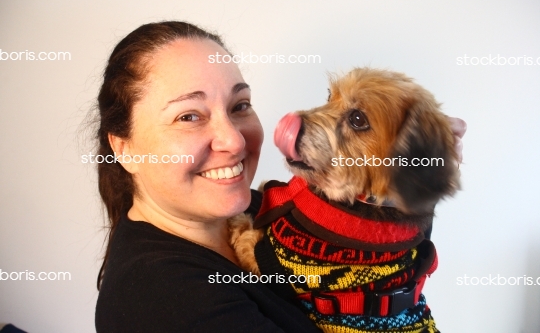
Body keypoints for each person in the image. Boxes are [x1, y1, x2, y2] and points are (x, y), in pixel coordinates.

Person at [94, 21, 466, 332]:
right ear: (124, 148)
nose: (233, 139)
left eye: (240, 106)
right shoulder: (166, 301)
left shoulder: (274, 210)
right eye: (189, 116)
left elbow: (378, 251)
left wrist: (412, 172)